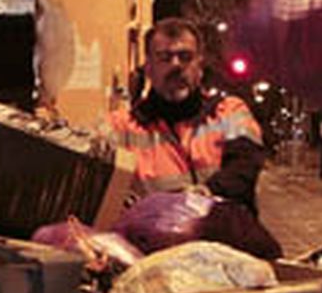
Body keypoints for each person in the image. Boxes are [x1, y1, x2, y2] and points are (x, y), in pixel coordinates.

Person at [108, 17, 266, 214]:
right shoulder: (121, 126)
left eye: (185, 57)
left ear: (199, 67)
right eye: (164, 57)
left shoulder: (229, 112)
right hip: (154, 233)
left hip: (222, 229)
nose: (176, 65)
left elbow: (246, 164)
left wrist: (207, 193)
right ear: (148, 68)